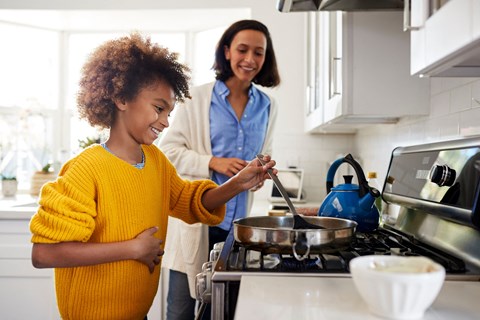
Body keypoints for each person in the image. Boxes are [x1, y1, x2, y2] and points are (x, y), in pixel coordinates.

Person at [28, 32, 276, 320]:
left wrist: (239, 183)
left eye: (168, 111)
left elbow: (189, 202)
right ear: (121, 98)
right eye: (159, 108)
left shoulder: (155, 161)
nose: (165, 121)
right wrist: (132, 249)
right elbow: (45, 253)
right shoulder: (86, 169)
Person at [158, 19, 281, 320]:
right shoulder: (195, 99)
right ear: (227, 51)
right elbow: (167, 152)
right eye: (242, 50)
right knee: (181, 312)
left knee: (226, 312)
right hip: (194, 224)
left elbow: (264, 155)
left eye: (259, 52)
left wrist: (258, 175)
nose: (250, 59)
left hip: (237, 232)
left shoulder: (268, 105)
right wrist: (212, 162)